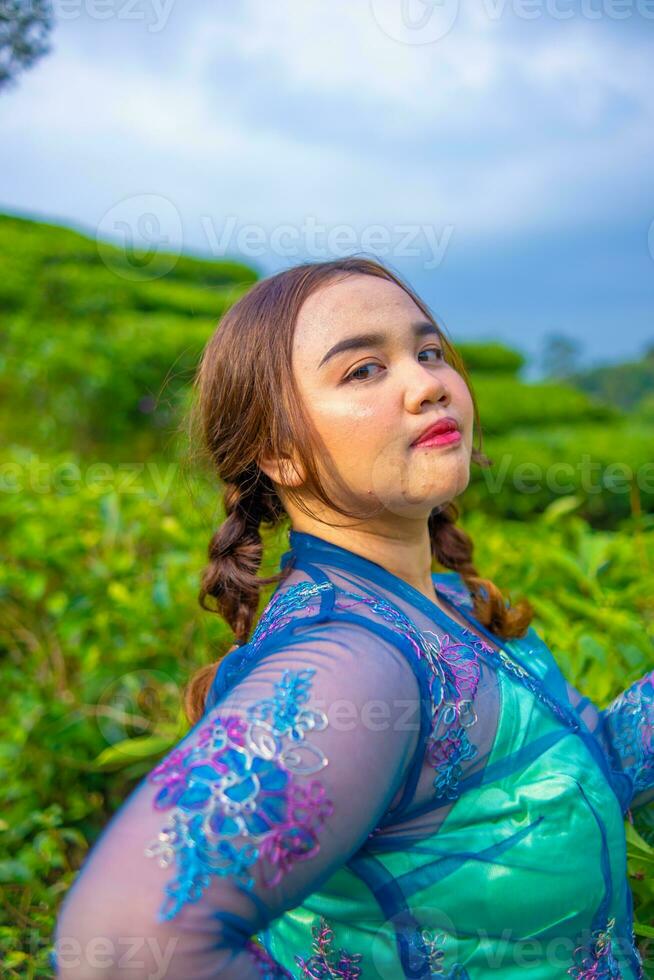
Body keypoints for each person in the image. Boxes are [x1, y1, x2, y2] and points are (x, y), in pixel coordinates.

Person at [53, 257, 653, 979]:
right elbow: (119, 950)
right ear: (279, 454)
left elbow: (576, 771)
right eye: (364, 370)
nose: (429, 383)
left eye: (428, 352)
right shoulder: (357, 664)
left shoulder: (445, 605)